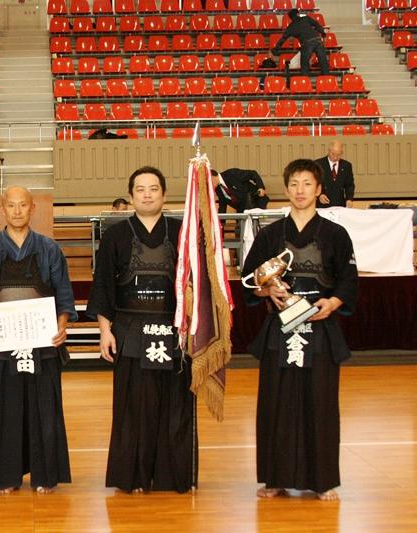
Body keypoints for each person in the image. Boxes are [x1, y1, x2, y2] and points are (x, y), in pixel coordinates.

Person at [241, 159, 358, 502]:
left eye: (307, 184)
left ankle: (322, 480)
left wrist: (332, 303)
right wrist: (267, 291)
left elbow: (349, 280)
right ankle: (274, 478)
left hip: (320, 328)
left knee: (320, 405)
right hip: (279, 328)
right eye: (294, 184)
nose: (300, 190)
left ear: (319, 190)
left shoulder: (336, 235)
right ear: (286, 189)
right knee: (275, 403)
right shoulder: (270, 234)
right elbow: (248, 280)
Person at [86, 167, 195, 494]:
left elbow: (196, 284)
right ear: (131, 196)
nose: (147, 195)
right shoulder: (116, 235)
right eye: (140, 189)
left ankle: (172, 477)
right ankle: (132, 477)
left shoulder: (182, 232)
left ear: (164, 194)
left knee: (175, 404)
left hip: (174, 331)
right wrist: (105, 330)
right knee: (132, 407)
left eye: (154, 189)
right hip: (130, 330)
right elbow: (103, 286)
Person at [0, 186, 77, 494]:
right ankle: (5, 477)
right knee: (3, 411)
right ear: (2, 210)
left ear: (32, 209)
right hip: (2, 343)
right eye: (11, 205)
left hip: (42, 343)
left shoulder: (49, 248)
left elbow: (64, 294)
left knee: (45, 409)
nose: (17, 211)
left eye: (23, 205)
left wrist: (61, 325)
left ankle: (45, 476)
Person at [269, 9, 329, 76]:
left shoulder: (290, 27)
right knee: (323, 62)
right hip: (317, 40)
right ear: (297, 14)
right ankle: (326, 79)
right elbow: (317, 24)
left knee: (305, 65)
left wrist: (274, 51)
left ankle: (305, 80)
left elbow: (282, 39)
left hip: (306, 44)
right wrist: (323, 34)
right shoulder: (306, 18)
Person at [315, 141, 355, 208]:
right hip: (322, 205)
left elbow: (349, 185)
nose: (336, 157)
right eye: (333, 154)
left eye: (339, 155)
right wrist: (319, 196)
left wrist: (349, 199)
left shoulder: (346, 166)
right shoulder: (318, 164)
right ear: (328, 151)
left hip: (339, 204)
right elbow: (314, 183)